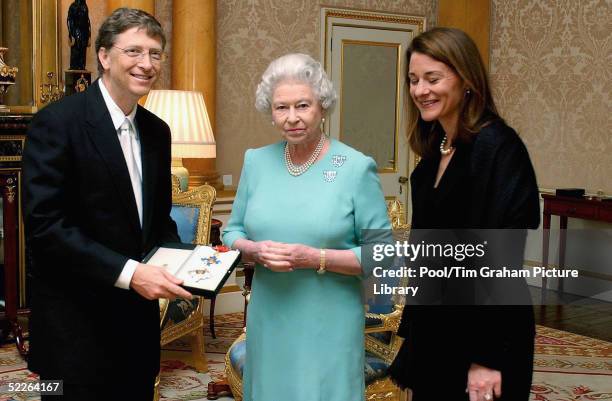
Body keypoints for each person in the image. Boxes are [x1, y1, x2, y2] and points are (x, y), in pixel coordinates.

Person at [23, 8, 191, 400]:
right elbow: (47, 227)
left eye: (155, 53)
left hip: (137, 328)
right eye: (134, 51)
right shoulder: (57, 123)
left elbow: (157, 222)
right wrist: (133, 274)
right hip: (74, 330)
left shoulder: (157, 131)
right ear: (104, 56)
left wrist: (190, 264)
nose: (147, 64)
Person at [223, 53, 391, 401]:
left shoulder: (355, 168)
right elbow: (232, 231)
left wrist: (315, 257)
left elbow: (383, 255)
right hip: (269, 315)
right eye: (281, 108)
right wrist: (253, 250)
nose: (292, 118)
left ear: (323, 106)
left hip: (329, 321)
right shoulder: (256, 161)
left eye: (303, 105)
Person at [387, 28, 540, 401]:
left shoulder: (499, 147)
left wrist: (485, 358)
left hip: (488, 338)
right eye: (413, 80)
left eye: (433, 78)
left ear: (466, 79)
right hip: (437, 332)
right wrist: (414, 338)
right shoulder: (432, 157)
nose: (420, 90)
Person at [67, 0, 91, 70]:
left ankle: (82, 66)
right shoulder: (73, 6)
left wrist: (89, 35)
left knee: (83, 50)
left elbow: (87, 21)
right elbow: (69, 20)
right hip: (75, 30)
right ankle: (74, 66)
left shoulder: (85, 6)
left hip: (84, 31)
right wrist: (71, 34)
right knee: (76, 49)